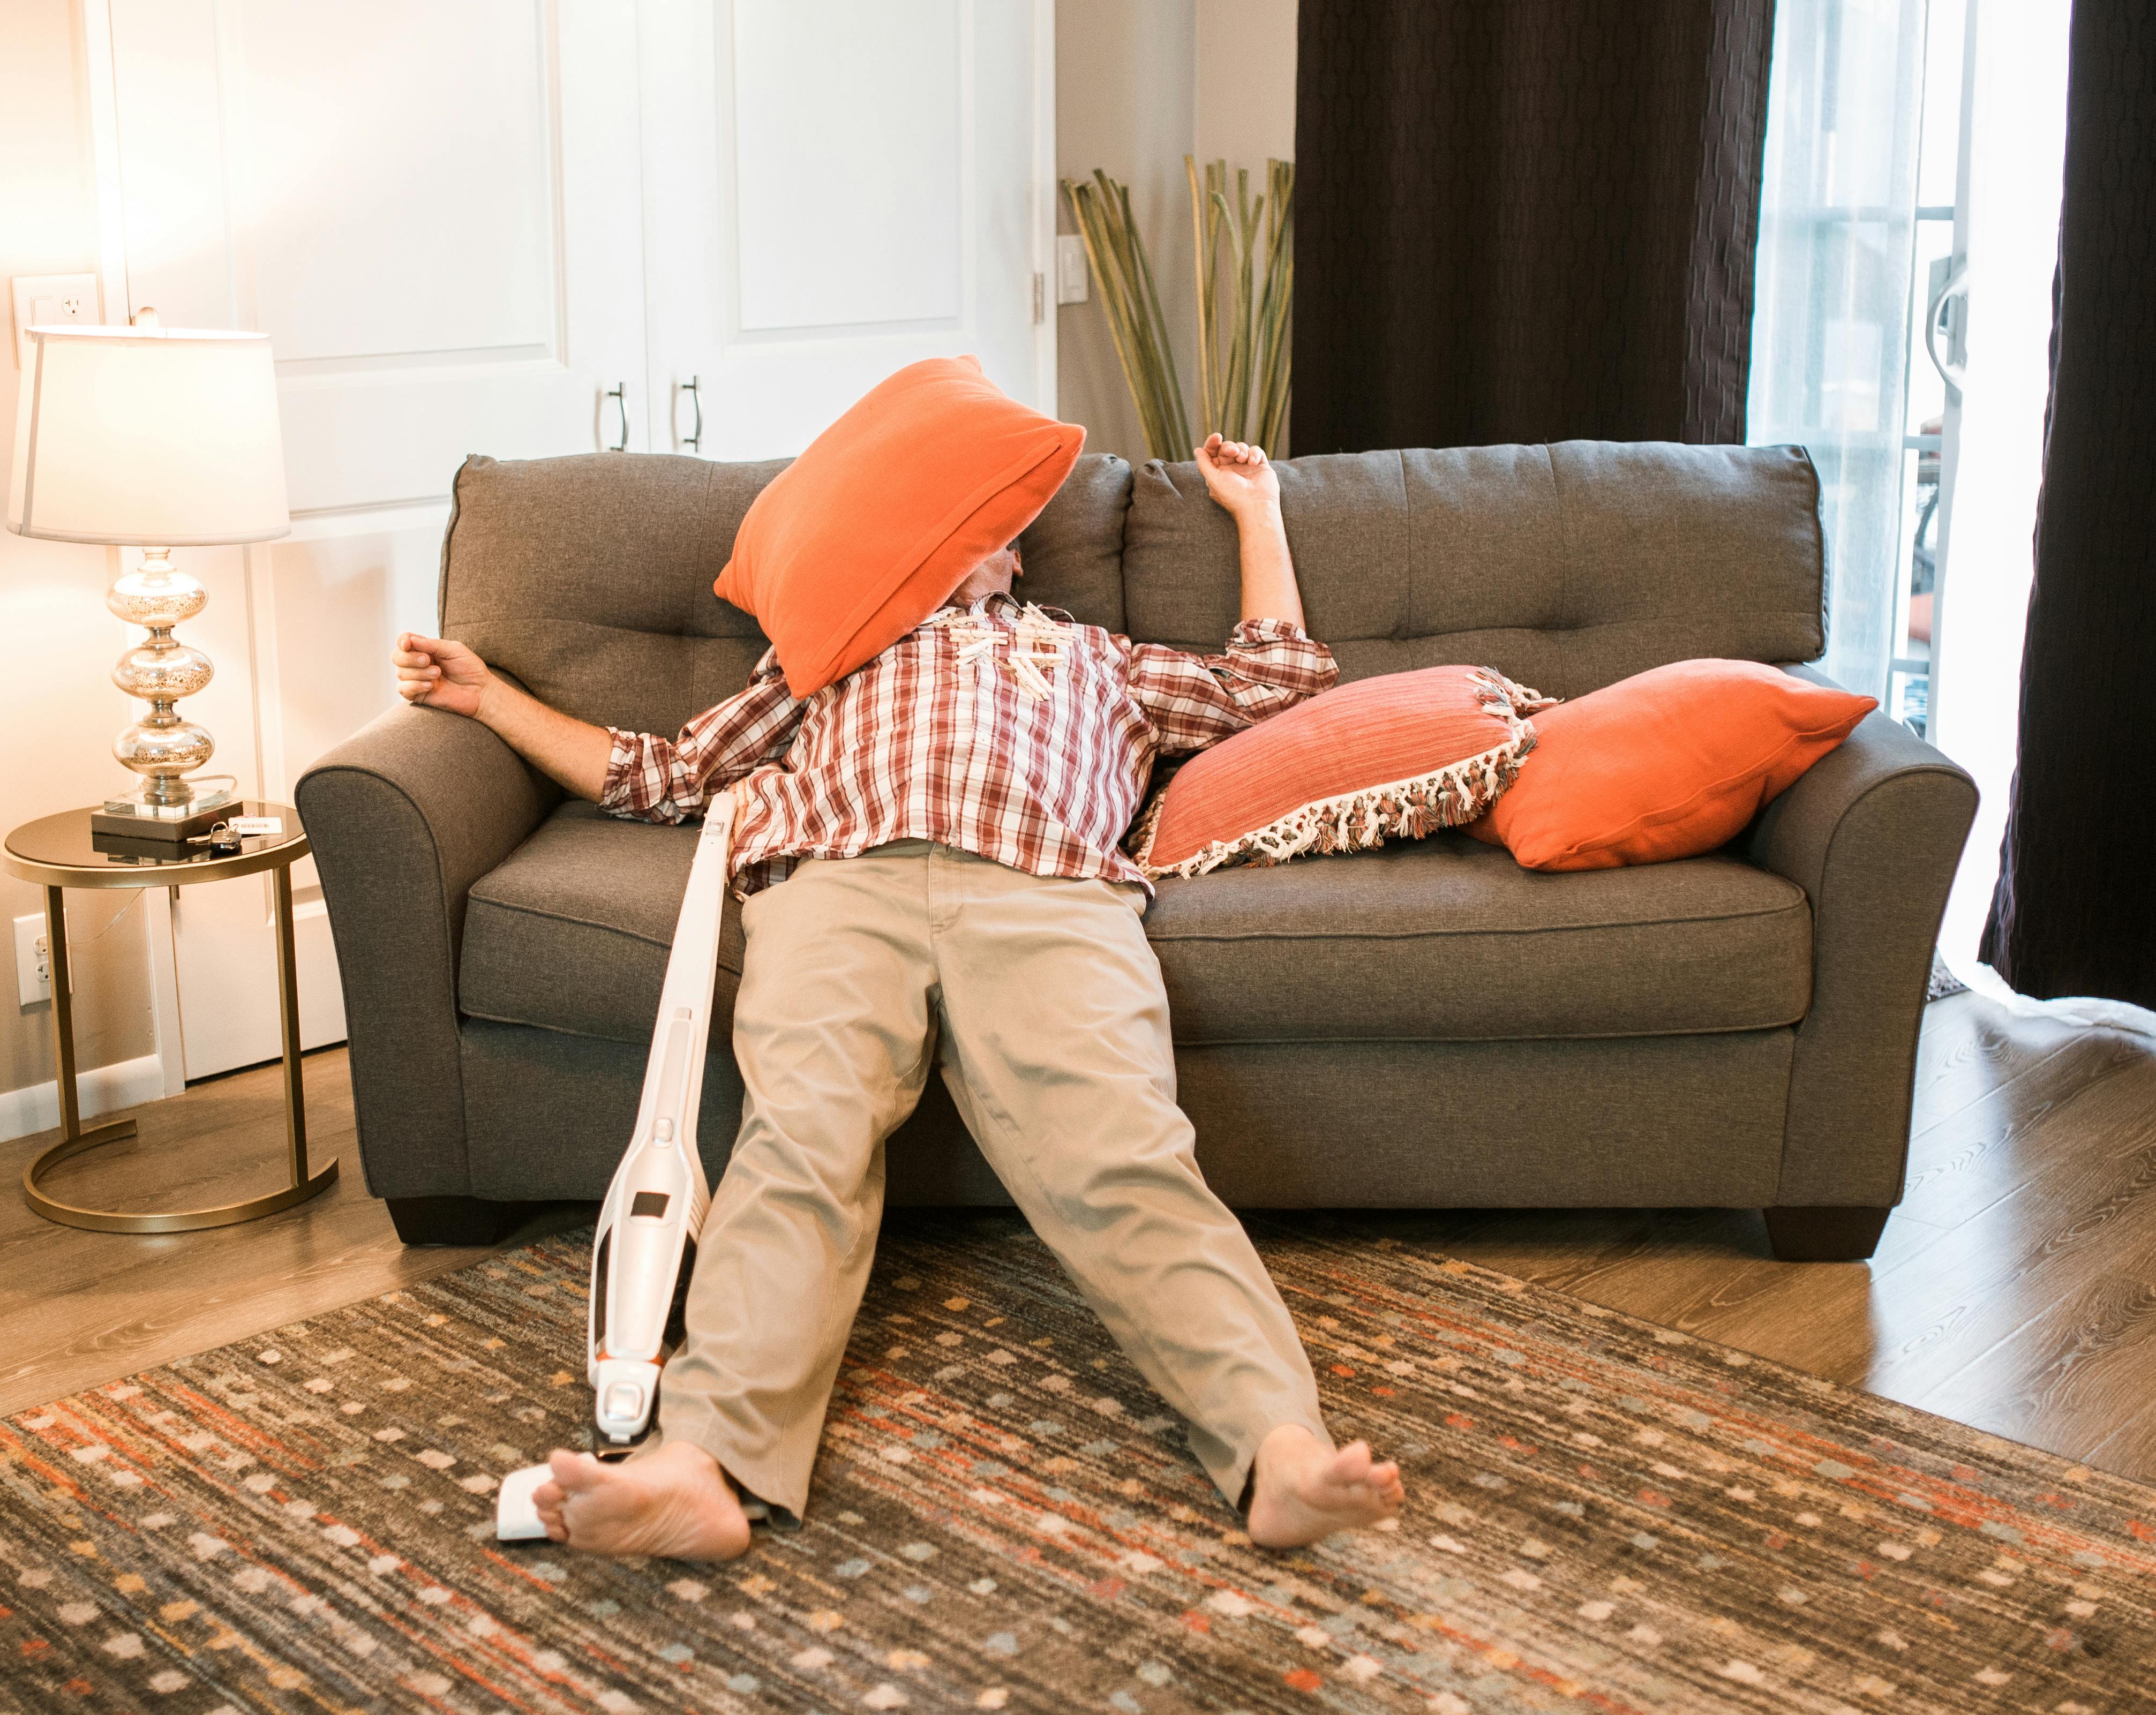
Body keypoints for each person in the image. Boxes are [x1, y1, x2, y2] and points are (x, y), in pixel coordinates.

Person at [391, 434, 1404, 1560]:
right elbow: (666, 773)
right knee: (797, 1141)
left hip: (1045, 893)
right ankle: (700, 1461)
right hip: (839, 883)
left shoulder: (1097, 655)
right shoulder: (828, 650)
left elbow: (1273, 688)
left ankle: (1278, 1452)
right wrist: (489, 701)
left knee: (1120, 1150)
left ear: (1013, 563)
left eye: (984, 526)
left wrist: (1253, 508)